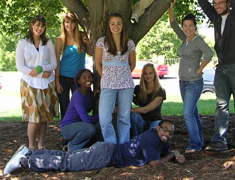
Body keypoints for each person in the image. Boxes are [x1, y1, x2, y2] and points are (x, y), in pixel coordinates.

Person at [3, 120, 185, 175]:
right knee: (67, 163)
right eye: (165, 130)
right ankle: (24, 161)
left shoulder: (159, 139)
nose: (167, 134)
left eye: (171, 132)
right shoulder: (150, 140)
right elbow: (155, 163)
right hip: (105, 156)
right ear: (157, 128)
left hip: (106, 150)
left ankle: (32, 152)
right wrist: (172, 155)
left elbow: (165, 152)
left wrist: (174, 154)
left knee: (68, 157)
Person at [197, 0, 235, 151]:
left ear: (228, 4)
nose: (217, 6)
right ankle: (219, 139)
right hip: (222, 68)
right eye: (215, 3)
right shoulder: (216, 18)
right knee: (221, 105)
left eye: (221, 3)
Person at [168, 0, 213, 153]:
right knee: (193, 113)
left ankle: (194, 144)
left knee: (187, 113)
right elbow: (174, 25)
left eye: (190, 26)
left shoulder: (197, 40)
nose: (187, 28)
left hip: (194, 82)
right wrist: (170, 9)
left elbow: (209, 53)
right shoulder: (185, 39)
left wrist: (200, 69)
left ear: (195, 27)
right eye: (185, 26)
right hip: (183, 82)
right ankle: (199, 142)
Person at [15, 15, 58, 150]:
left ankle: (41, 144)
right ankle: (32, 145)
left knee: (44, 116)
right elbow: (20, 66)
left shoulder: (48, 43)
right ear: (32, 25)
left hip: (46, 82)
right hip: (30, 83)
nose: (39, 28)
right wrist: (40, 72)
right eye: (37, 25)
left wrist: (42, 69)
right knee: (34, 117)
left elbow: (53, 64)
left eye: (42, 26)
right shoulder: (23, 43)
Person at [95, 13, 136, 144]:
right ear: (109, 25)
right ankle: (111, 145)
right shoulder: (102, 42)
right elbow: (97, 64)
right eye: (113, 23)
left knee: (124, 117)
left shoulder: (129, 43)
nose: (116, 26)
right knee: (104, 118)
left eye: (118, 23)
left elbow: (133, 64)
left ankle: (123, 145)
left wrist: (122, 75)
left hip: (126, 85)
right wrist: (107, 76)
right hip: (107, 84)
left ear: (123, 25)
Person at [55, 12, 92, 118]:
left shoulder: (81, 36)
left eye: (72, 22)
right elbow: (56, 61)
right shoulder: (60, 39)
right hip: (63, 77)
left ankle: (79, 128)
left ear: (76, 24)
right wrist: (57, 81)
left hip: (79, 78)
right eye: (67, 22)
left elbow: (90, 53)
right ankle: (65, 130)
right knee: (64, 106)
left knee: (79, 105)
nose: (69, 25)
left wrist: (88, 43)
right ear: (63, 23)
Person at [60, 69, 99, 151]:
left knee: (94, 130)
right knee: (91, 129)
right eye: (84, 78)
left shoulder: (89, 93)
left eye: (89, 77)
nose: (88, 79)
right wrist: (101, 117)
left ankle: (68, 144)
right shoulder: (77, 95)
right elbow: (86, 119)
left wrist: (94, 97)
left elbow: (89, 107)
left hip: (79, 126)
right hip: (68, 128)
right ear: (78, 81)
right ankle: (72, 147)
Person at [131, 63, 166, 137]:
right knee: (134, 117)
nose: (148, 76)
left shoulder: (160, 91)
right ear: (143, 75)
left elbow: (145, 109)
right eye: (145, 74)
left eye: (150, 73)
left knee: (152, 133)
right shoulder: (138, 88)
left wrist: (126, 110)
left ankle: (148, 142)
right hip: (141, 121)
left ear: (154, 74)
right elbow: (136, 101)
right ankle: (137, 141)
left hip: (155, 121)